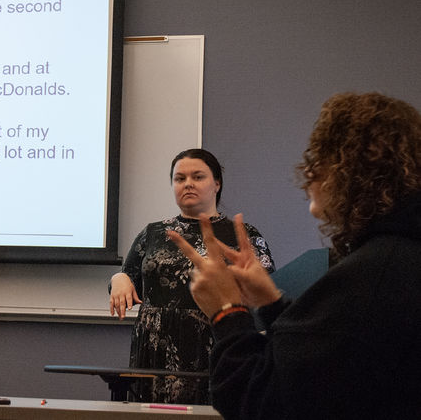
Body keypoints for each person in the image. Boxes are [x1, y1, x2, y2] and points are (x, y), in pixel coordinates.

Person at [168, 92, 421, 419]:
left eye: (318, 158)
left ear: (347, 168)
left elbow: (265, 401)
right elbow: (323, 367)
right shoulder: (398, 257)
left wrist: (226, 313)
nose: (309, 174)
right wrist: (272, 305)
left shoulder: (375, 274)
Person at [108, 148, 275, 405]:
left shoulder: (243, 233)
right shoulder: (152, 232)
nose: (188, 184)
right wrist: (117, 279)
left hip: (215, 341)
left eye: (198, 177)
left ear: (216, 183)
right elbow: (127, 277)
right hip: (155, 347)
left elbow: (264, 292)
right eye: (180, 178)